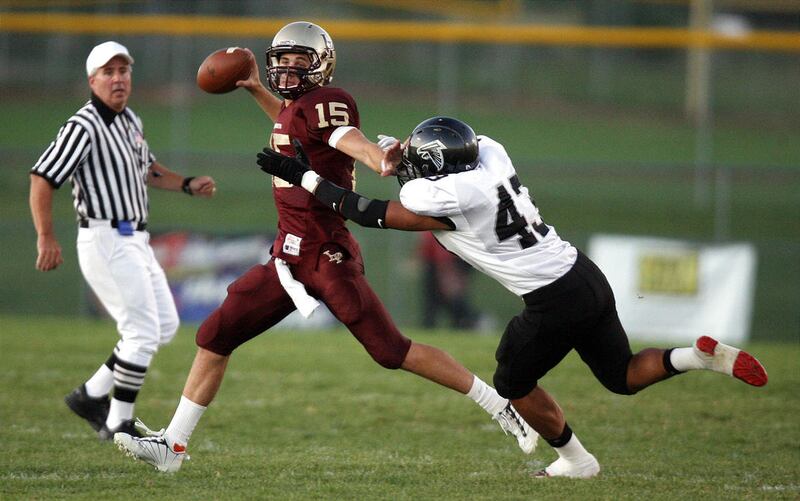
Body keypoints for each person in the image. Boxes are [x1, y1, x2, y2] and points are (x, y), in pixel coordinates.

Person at [114, 22, 534, 473]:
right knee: (215, 335)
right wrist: (256, 88)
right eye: (283, 61)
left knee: (390, 350)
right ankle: (172, 448)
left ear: (322, 66)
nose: (289, 71)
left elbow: (344, 139)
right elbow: (292, 125)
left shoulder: (327, 104)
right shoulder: (296, 109)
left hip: (325, 253)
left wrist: (376, 157)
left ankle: (500, 405)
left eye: (300, 62)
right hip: (288, 255)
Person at [255, 115, 769, 478]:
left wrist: (303, 176)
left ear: (438, 171)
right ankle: (697, 357)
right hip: (582, 273)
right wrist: (396, 146)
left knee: (511, 380)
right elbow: (438, 151)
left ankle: (576, 460)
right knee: (622, 375)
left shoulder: (443, 198)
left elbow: (368, 212)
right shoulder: (489, 153)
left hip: (552, 298)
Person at [29, 41, 217, 440]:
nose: (118, 79)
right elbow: (43, 178)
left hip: (135, 238)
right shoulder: (82, 126)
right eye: (109, 73)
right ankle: (118, 421)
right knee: (141, 333)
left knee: (163, 326)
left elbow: (146, 168)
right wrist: (46, 236)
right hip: (104, 237)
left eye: (124, 71)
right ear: (92, 80)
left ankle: (90, 395)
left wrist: (185, 184)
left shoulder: (130, 119)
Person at [418, 231, 480, 330]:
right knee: (436, 300)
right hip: (439, 262)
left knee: (451, 297)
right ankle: (465, 322)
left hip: (449, 261)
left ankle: (468, 321)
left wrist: (446, 268)